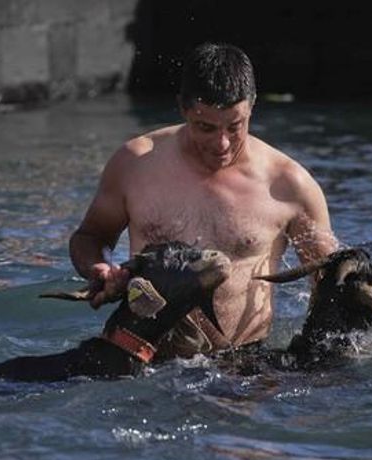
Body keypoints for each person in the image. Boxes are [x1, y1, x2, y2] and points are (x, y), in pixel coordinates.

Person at [69, 42, 337, 359]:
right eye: (205, 127)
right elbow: (90, 237)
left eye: (235, 127)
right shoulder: (135, 164)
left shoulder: (291, 186)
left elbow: (330, 288)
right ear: (183, 109)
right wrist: (101, 269)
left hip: (244, 366)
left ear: (251, 107)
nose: (222, 143)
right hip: (147, 357)